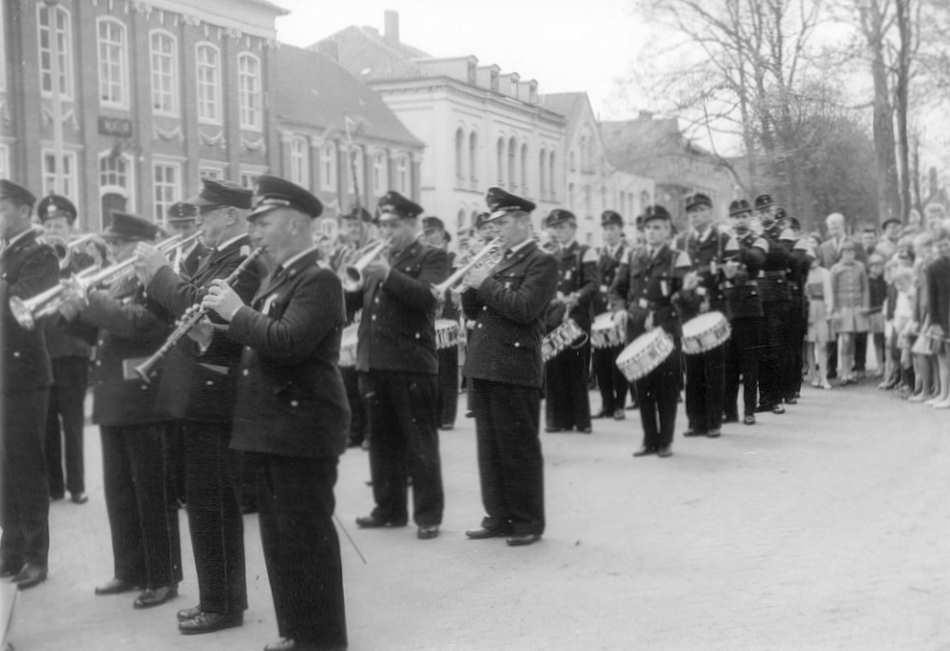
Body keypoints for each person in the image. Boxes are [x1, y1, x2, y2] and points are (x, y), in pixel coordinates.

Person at [201, 175, 349, 651]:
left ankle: (323, 640)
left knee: (307, 541)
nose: (256, 232)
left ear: (296, 224)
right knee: (280, 542)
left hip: (302, 428)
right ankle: (296, 632)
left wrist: (236, 312)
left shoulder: (319, 280)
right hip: (273, 428)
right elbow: (260, 343)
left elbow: (287, 342)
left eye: (264, 222)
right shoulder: (279, 276)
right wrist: (211, 337)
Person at [134, 179, 264, 634]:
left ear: (230, 215)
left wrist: (159, 275)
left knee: (214, 503)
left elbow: (197, 304)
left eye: (205, 214)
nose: (197, 223)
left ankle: (224, 604)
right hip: (197, 390)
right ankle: (216, 597)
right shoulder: (216, 255)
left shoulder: (244, 257)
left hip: (215, 394)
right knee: (203, 501)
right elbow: (188, 305)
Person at [58, 212, 182, 606]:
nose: (112, 252)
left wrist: (90, 300)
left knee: (151, 492)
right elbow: (102, 332)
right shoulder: (119, 280)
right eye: (111, 244)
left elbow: (142, 324)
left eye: (120, 245)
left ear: (143, 245)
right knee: (119, 490)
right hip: (114, 396)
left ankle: (162, 577)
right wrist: (72, 314)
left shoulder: (159, 281)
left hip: (143, 396)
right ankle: (128, 569)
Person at [349, 191, 449, 540]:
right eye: (383, 226)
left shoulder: (433, 256)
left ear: (412, 224)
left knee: (419, 442)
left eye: (393, 225)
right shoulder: (378, 258)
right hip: (375, 361)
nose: (386, 232)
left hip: (411, 363)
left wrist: (389, 275)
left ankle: (428, 515)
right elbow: (357, 304)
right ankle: (388, 509)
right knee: (381, 441)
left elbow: (426, 297)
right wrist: (351, 282)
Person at [461, 187, 558, 546]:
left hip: (515, 364)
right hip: (485, 362)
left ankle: (528, 521)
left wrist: (483, 283)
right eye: (493, 223)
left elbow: (524, 308)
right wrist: (468, 287)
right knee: (490, 448)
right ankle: (498, 516)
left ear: (521, 221)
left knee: (518, 447)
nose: (495, 229)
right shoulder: (498, 260)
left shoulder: (541, 262)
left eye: (501, 222)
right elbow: (476, 313)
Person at [0, 180, 59, 589]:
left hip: (24, 374)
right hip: (3, 373)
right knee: (4, 470)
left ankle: (36, 557)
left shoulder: (40, 252)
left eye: (1, 208)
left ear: (24, 210)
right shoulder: (6, 253)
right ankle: (11, 552)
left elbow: (24, 305)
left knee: (26, 467)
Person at [611, 205, 695, 457]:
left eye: (657, 227)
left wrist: (686, 291)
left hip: (665, 325)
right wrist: (620, 310)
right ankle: (649, 440)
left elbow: (687, 300)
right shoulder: (633, 255)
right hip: (637, 325)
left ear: (668, 229)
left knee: (667, 386)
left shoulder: (677, 257)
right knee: (642, 386)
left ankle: (666, 440)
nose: (651, 232)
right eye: (647, 228)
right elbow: (617, 290)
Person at [37, 194, 93, 505]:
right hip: (45, 350)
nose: (53, 231)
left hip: (73, 351)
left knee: (72, 423)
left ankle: (77, 486)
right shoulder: (37, 261)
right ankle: (53, 487)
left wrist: (67, 262)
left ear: (71, 228)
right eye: (48, 225)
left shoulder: (83, 261)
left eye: (59, 225)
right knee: (46, 422)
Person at [676, 193, 729, 438]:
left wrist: (726, 273)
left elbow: (735, 272)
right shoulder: (682, 242)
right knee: (693, 368)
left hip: (714, 307)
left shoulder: (723, 239)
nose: (695, 216)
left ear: (710, 212)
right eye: (691, 212)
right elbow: (675, 274)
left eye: (700, 210)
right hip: (690, 310)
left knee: (714, 368)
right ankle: (695, 421)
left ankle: (714, 421)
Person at [542, 209, 599, 433]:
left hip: (575, 317)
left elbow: (593, 284)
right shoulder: (551, 254)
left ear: (573, 228)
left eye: (563, 227)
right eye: (555, 228)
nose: (559, 232)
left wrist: (577, 296)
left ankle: (581, 420)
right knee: (554, 368)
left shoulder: (584, 252)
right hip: (555, 317)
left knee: (576, 368)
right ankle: (557, 420)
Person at [720, 199, 768, 425]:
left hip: (749, 307)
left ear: (751, 218)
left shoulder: (759, 239)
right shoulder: (724, 240)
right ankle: (729, 411)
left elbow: (757, 260)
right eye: (736, 216)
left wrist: (732, 247)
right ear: (731, 219)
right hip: (728, 306)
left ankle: (749, 409)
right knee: (729, 362)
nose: (740, 220)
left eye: (744, 216)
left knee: (750, 362)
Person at [754, 194, 794, 413]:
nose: (765, 214)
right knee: (761, 347)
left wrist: (762, 239)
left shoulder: (784, 232)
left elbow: (783, 256)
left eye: (767, 210)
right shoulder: (756, 234)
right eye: (760, 212)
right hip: (758, 294)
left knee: (776, 346)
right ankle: (765, 398)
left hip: (777, 293)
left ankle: (777, 397)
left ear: (774, 210)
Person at [591, 210, 631, 421]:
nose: (609, 233)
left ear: (620, 230)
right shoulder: (599, 253)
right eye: (606, 229)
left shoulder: (627, 253)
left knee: (618, 360)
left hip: (618, 311)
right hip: (600, 314)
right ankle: (606, 403)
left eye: (613, 228)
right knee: (601, 362)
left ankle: (619, 405)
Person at [423, 216, 460, 430]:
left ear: (441, 233)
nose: (428, 237)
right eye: (426, 233)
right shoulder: (424, 257)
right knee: (431, 365)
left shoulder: (452, 257)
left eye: (432, 233)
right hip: (429, 315)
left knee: (447, 365)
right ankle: (433, 412)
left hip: (447, 314)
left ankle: (447, 415)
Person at [830, 239, 869, 386]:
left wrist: (865, 305)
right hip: (843, 309)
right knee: (845, 340)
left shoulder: (860, 267)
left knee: (852, 340)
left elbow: (865, 288)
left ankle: (849, 373)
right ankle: (844, 372)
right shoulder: (835, 269)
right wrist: (834, 310)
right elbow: (832, 291)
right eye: (846, 252)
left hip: (856, 308)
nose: (849, 255)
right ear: (842, 254)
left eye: (852, 252)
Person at [926, 226, 950, 408]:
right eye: (939, 246)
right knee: (942, 357)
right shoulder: (933, 267)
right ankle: (943, 394)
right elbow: (931, 297)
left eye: (946, 244)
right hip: (943, 318)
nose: (943, 248)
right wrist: (934, 322)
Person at [804, 241, 833, 389]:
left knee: (822, 344)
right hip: (808, 310)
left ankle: (824, 377)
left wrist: (829, 312)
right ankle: (813, 376)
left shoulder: (825, 273)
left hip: (821, 309)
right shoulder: (804, 273)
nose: (812, 262)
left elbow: (829, 294)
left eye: (814, 258)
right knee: (810, 344)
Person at [165, 202, 207, 279]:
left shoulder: (207, 256)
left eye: (186, 227)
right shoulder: (166, 257)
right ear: (168, 228)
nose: (181, 233)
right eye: (176, 227)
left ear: (196, 227)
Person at [866, 254, 888, 379]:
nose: (877, 268)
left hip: (883, 311)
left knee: (886, 340)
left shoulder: (884, 280)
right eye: (874, 265)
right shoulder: (868, 281)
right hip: (873, 312)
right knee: (877, 339)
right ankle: (880, 365)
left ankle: (885, 365)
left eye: (879, 265)